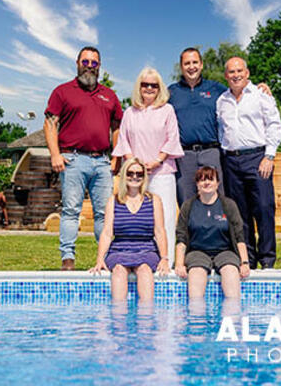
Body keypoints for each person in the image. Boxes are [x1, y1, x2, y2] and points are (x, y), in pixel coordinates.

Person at [44, 46, 123, 271]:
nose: (89, 66)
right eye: (85, 62)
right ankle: (67, 258)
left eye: (94, 63)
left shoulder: (109, 95)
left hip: (102, 162)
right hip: (73, 159)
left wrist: (116, 157)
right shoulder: (62, 91)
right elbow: (50, 123)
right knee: (71, 210)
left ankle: (106, 257)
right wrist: (55, 154)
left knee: (103, 213)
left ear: (99, 67)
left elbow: (117, 126)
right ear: (77, 63)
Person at [168, 47, 272, 206]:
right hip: (184, 155)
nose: (191, 66)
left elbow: (239, 90)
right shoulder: (171, 92)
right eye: (187, 63)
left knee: (217, 200)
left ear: (202, 65)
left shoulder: (216, 89)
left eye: (195, 62)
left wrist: (261, 87)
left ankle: (218, 231)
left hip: (212, 153)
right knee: (186, 201)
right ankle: (189, 232)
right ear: (181, 67)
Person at [112, 67, 184, 265]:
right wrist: (134, 163)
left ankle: (165, 263)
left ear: (160, 88)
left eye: (154, 85)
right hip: (135, 175)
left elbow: (172, 138)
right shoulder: (130, 112)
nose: (150, 88)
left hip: (162, 172)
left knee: (166, 219)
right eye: (145, 85)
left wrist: (157, 160)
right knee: (133, 219)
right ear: (139, 87)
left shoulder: (167, 110)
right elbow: (124, 140)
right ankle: (134, 260)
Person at [216, 57, 281, 269]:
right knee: (239, 213)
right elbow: (221, 131)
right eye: (231, 72)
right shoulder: (221, 101)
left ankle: (268, 260)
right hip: (231, 161)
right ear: (226, 76)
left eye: (239, 71)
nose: (235, 75)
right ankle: (248, 260)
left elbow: (274, 125)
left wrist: (269, 156)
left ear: (247, 73)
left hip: (258, 158)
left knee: (263, 208)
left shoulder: (261, 95)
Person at [91, 157, 170, 301]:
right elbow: (107, 233)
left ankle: (146, 319)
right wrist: (99, 259)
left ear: (144, 177)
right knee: (119, 270)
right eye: (130, 173)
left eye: (139, 174)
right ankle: (118, 318)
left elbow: (160, 231)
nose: (135, 177)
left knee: (145, 270)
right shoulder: (113, 201)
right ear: (124, 175)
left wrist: (164, 258)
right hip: (119, 250)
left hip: (147, 249)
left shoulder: (154, 200)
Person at [174, 166, 250, 298]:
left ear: (217, 183)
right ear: (197, 184)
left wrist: (244, 262)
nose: (206, 183)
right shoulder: (188, 206)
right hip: (197, 252)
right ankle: (196, 316)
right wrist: (179, 264)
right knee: (196, 271)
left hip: (225, 251)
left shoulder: (228, 205)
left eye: (210, 179)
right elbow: (181, 238)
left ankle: (232, 314)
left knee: (231, 270)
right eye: (202, 180)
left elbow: (239, 237)